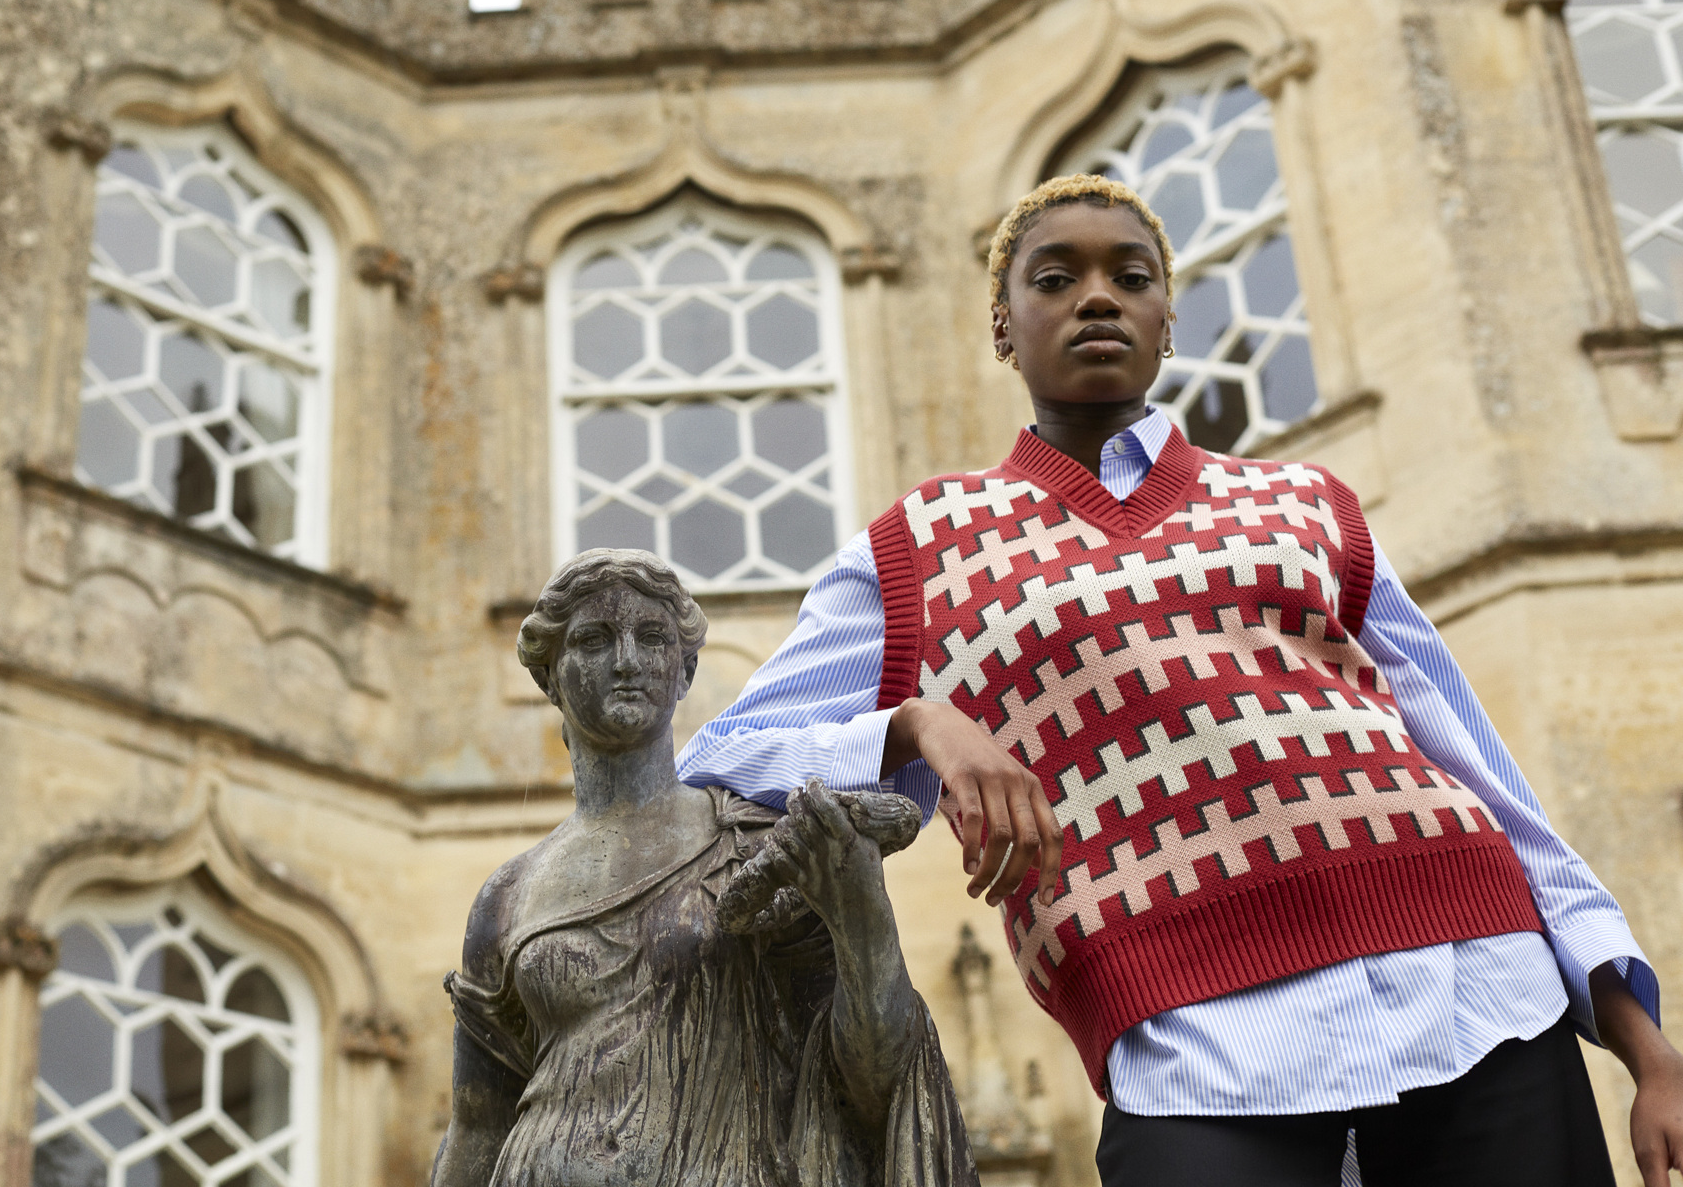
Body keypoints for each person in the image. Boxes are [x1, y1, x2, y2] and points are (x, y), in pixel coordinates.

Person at [677, 173, 1683, 1186]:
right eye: (1056, 278)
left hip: (1478, 991)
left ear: (1168, 320)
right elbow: (716, 758)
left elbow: (1475, 763)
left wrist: (1645, 1043)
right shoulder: (914, 551)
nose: (1097, 297)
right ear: (1003, 327)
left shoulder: (1307, 502)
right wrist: (911, 725)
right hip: (1187, 1048)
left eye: (1132, 276)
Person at [432, 549, 978, 1187]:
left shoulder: (753, 843)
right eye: (593, 639)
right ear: (550, 676)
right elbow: (477, 1124)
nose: (628, 660)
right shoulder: (508, 895)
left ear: (686, 670)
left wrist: (863, 920)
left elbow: (868, 1080)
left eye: (653, 637)